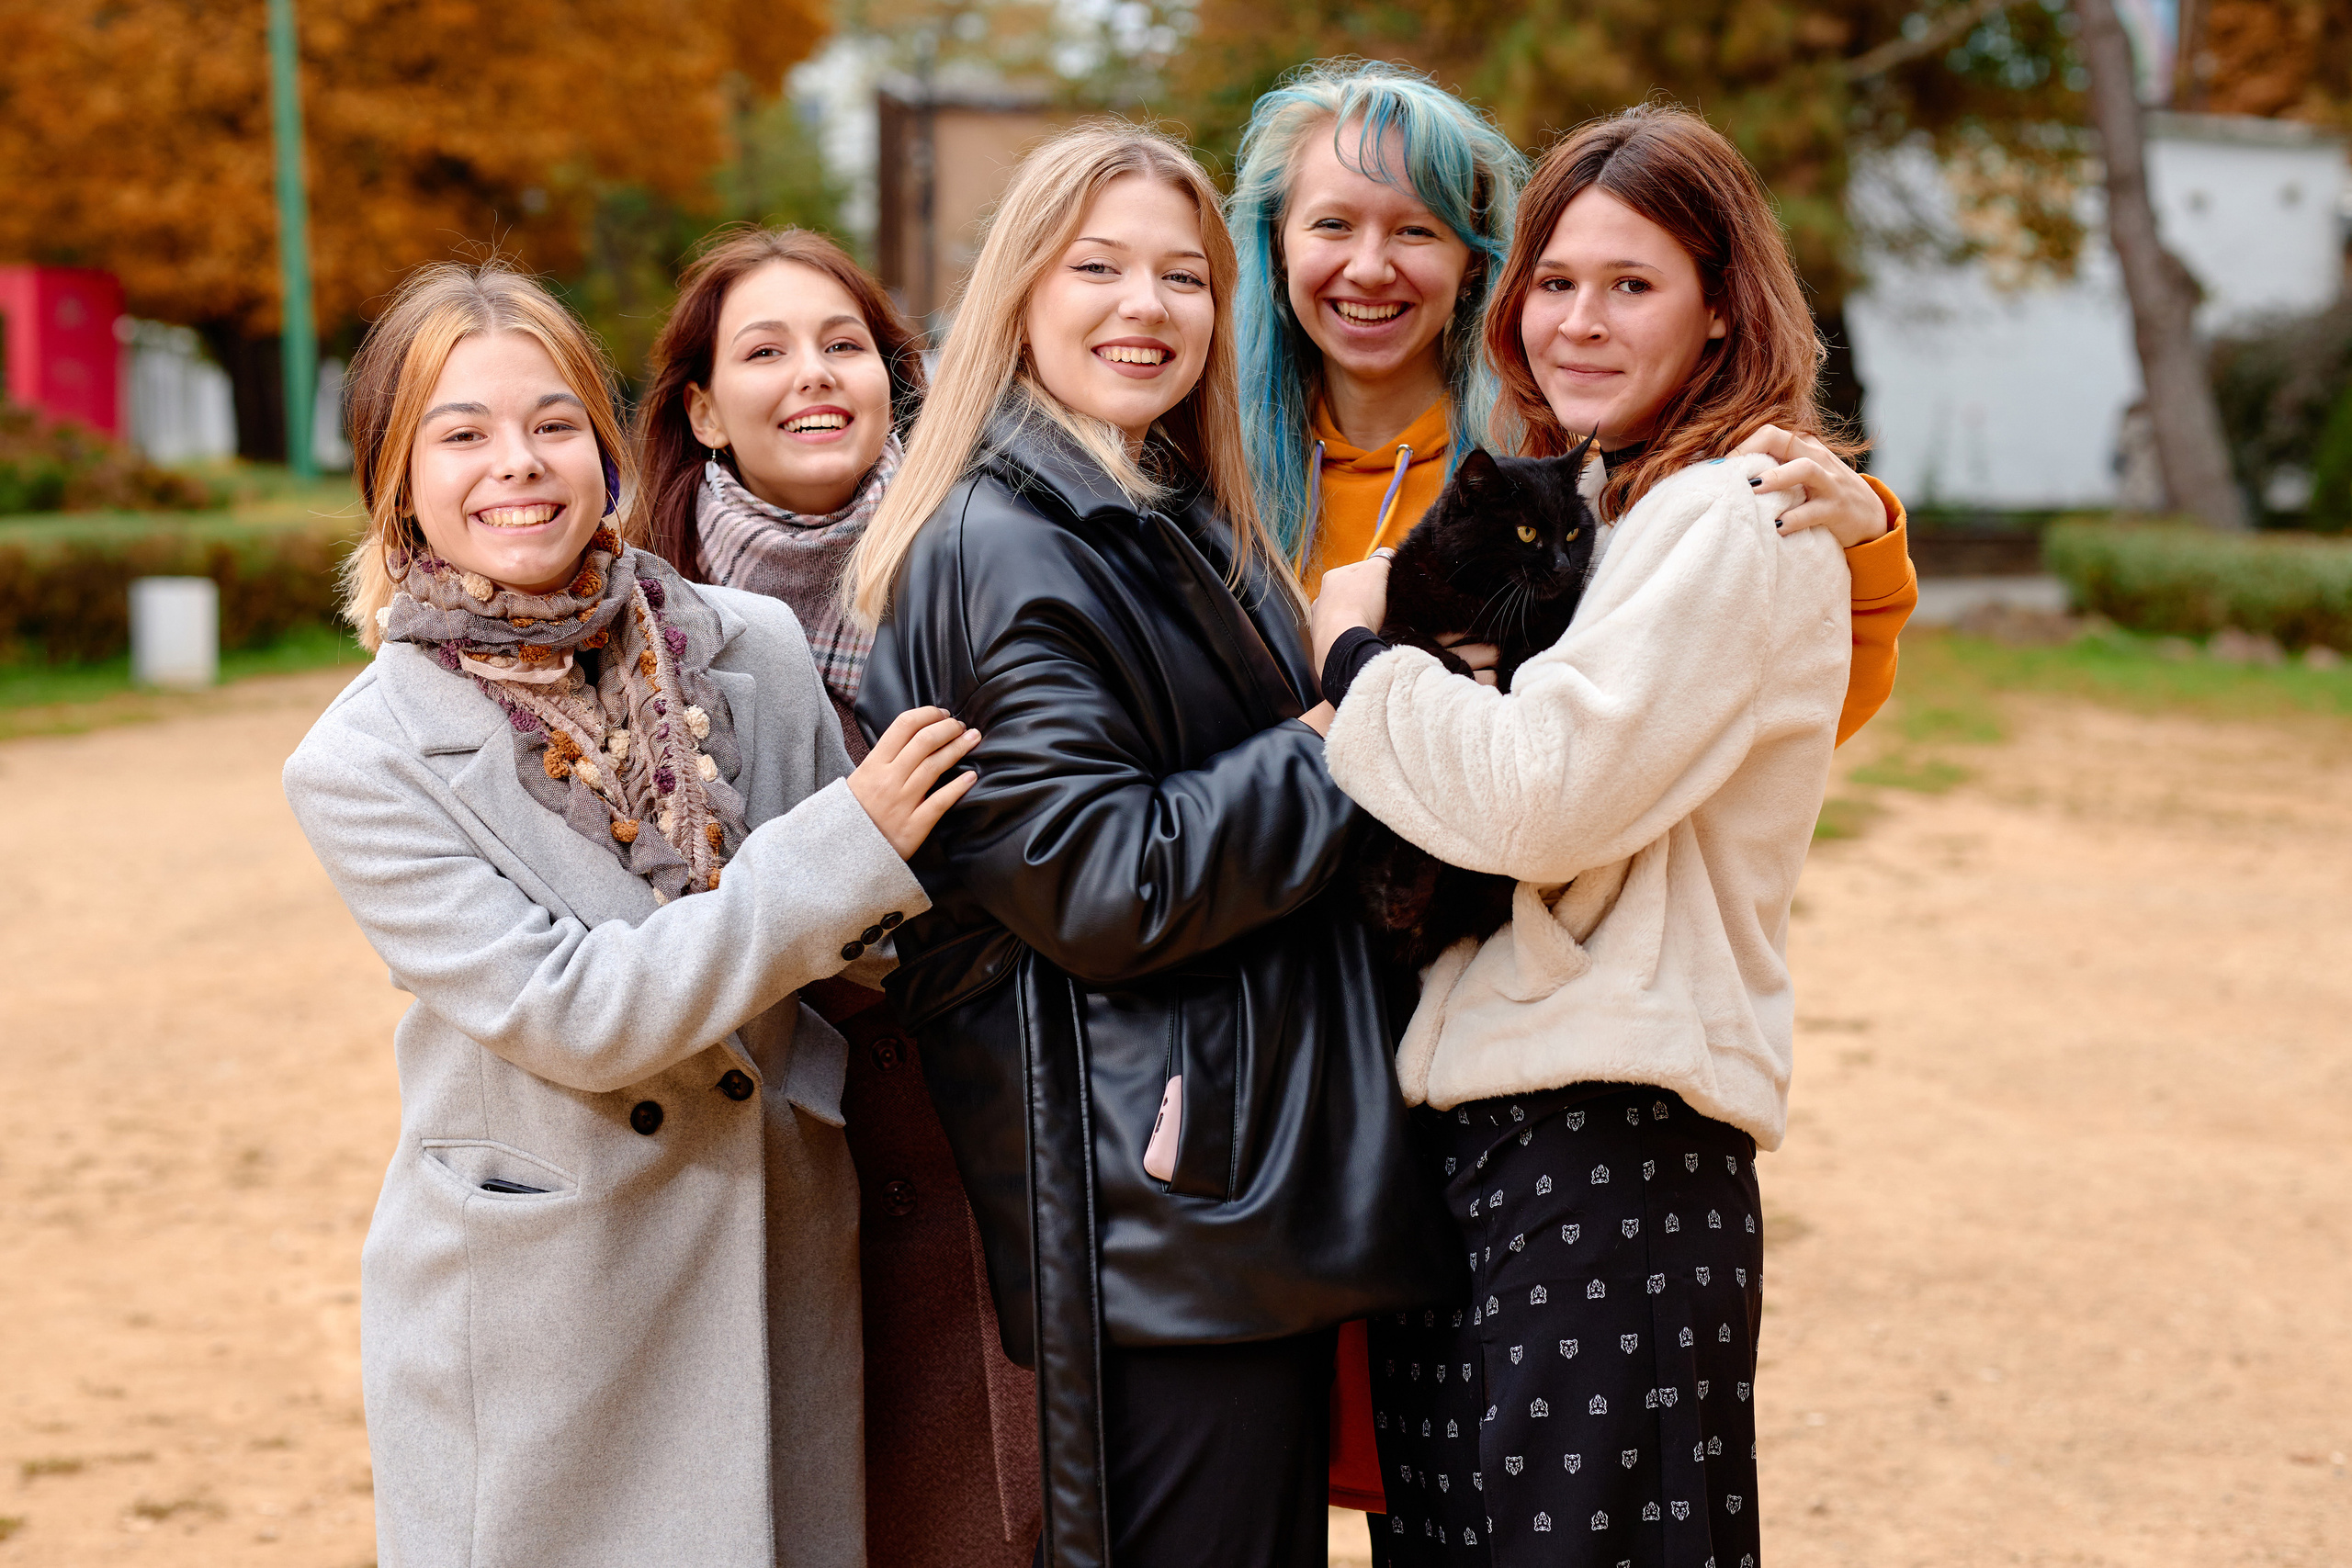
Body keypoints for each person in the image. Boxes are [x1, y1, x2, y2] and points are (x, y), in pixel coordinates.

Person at [1227, 60, 1922, 1523]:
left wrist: (1356, 656)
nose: (1582, 322)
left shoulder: (1729, 509)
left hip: (1606, 1128)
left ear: (1724, 299)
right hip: (1443, 1109)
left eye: (1632, 284)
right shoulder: (1601, 498)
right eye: (1558, 283)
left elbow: (1544, 796)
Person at [282, 261, 978, 1568]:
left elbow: (866, 944)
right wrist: (850, 845)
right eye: (463, 433)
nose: (520, 465)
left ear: (607, 447)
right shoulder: (360, 763)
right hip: (550, 1290)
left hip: (770, 1241)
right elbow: (582, 1017)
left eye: (554, 423)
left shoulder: (749, 645)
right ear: (395, 477)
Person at [850, 123, 1463, 1568]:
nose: (1148, 306)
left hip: (1218, 1200)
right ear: (1019, 296)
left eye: (1185, 275)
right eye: (1100, 267)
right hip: (1155, 1206)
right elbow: (1110, 881)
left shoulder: (1157, 514)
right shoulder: (1009, 540)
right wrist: (1342, 729)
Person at [629, 224, 1042, 1567]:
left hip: (971, 1110)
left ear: (894, 375)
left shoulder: (985, 561)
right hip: (758, 1132)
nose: (814, 377)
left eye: (844, 344)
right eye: (765, 351)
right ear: (702, 407)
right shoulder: (638, 624)